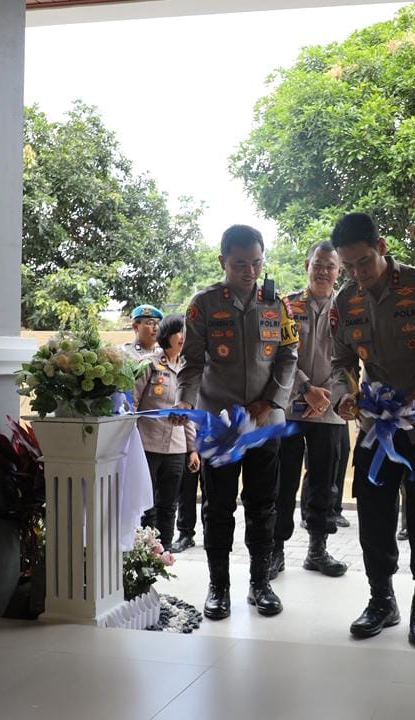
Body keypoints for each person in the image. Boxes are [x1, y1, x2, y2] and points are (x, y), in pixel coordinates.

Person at [330, 211, 415, 647]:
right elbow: (341, 361)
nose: (357, 273)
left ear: (381, 247)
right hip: (376, 427)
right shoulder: (343, 301)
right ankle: (381, 600)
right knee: (374, 517)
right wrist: (345, 394)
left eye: (363, 262)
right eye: (348, 266)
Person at [181, 224, 299, 621]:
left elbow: (288, 355)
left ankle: (260, 583)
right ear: (223, 262)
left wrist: (270, 402)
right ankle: (219, 586)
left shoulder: (275, 305)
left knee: (264, 506)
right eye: (240, 264)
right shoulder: (204, 304)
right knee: (217, 507)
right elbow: (192, 365)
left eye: (256, 263)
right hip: (220, 426)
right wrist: (186, 406)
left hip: (265, 424)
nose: (249, 271)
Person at [272, 241, 348, 579]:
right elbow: (277, 353)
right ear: (307, 264)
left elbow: (350, 359)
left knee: (325, 483)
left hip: (330, 412)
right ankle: (275, 551)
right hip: (288, 409)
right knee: (282, 481)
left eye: (330, 266)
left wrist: (327, 395)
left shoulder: (348, 308)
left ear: (339, 270)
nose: (323, 271)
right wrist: (306, 388)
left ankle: (317, 550)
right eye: (318, 264)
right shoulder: (286, 306)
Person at [133, 313, 201, 552]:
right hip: (147, 446)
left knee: (169, 504)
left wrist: (192, 450)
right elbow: (132, 404)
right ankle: (146, 553)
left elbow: (190, 415)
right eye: (178, 332)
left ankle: (165, 552)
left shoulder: (189, 369)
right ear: (167, 335)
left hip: (176, 448)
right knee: (147, 504)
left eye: (186, 333)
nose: (183, 337)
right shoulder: (149, 364)